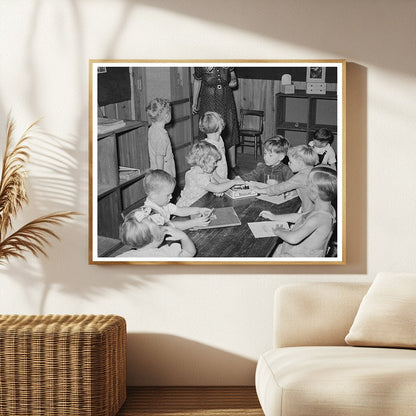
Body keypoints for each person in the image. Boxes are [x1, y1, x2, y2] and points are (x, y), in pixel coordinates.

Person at [260, 165, 337, 258]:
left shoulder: (319, 218)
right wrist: (275, 217)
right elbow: (302, 216)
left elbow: (293, 238)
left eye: (307, 184)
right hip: (298, 250)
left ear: (313, 193)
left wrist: (278, 231)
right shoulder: (327, 208)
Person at [192, 67, 240, 176]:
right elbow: (197, 80)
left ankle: (232, 165)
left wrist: (233, 81)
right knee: (209, 128)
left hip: (226, 98)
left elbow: (233, 79)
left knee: (230, 128)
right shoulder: (201, 63)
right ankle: (205, 163)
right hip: (208, 99)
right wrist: (195, 101)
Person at [249, 144, 319, 213]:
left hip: (310, 211)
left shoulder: (301, 176)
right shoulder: (312, 171)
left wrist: (260, 190)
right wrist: (295, 192)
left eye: (290, 162)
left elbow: (281, 188)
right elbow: (305, 188)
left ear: (300, 163)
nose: (288, 163)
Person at [176, 141, 244, 207]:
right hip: (190, 206)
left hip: (201, 202)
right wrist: (233, 182)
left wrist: (235, 181)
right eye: (214, 162)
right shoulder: (196, 175)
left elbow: (217, 182)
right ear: (204, 162)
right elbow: (217, 188)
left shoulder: (206, 170)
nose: (216, 165)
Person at [143, 169, 213, 230]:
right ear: (153, 195)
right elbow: (172, 226)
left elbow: (180, 211)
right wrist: (194, 222)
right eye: (167, 195)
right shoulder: (151, 213)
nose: (171, 197)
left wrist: (199, 210)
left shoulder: (163, 204)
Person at [117, 206, 196, 258]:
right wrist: (183, 236)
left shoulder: (124, 257)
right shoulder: (167, 253)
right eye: (162, 227)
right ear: (158, 237)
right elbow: (189, 252)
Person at [146, 98, 176, 178]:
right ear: (166, 115)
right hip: (165, 174)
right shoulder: (161, 136)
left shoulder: (152, 129)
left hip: (154, 170)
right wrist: (161, 177)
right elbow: (159, 157)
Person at [199, 111, 228, 179]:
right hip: (214, 181)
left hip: (222, 176)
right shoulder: (207, 147)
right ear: (220, 127)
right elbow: (210, 173)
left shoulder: (220, 140)